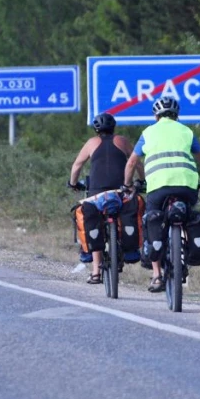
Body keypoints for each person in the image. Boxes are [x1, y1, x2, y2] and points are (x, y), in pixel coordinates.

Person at [123, 95, 200, 292]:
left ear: (156, 116)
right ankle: (185, 247)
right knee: (187, 214)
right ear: (176, 115)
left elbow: (132, 162)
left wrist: (127, 185)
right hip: (186, 185)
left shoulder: (148, 132)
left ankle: (156, 276)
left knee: (152, 220)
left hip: (158, 187)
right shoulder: (186, 131)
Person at [69, 112, 135, 283]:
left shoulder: (92, 143)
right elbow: (136, 162)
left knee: (93, 222)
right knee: (127, 213)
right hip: (120, 191)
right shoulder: (122, 141)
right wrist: (141, 181)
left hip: (96, 193)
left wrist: (73, 183)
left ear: (96, 129)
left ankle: (96, 271)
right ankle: (128, 248)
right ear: (114, 128)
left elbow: (77, 165)